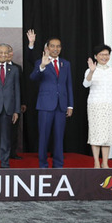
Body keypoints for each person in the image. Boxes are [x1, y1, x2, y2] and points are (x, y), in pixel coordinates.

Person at [30, 37, 74, 168]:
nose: (55, 49)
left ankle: (58, 165)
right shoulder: (41, 62)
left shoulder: (66, 64)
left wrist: (70, 105)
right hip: (45, 105)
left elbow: (69, 85)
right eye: (53, 46)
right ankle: (43, 164)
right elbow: (33, 77)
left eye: (58, 46)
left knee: (59, 136)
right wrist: (42, 66)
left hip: (61, 105)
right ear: (47, 48)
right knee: (43, 136)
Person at [83, 44, 112, 168]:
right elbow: (85, 84)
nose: (104, 57)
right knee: (95, 134)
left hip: (110, 106)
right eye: (101, 55)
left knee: (107, 135)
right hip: (95, 105)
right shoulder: (90, 70)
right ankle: (96, 162)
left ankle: (105, 162)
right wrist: (92, 71)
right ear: (96, 56)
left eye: (106, 54)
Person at [6, 45, 26, 160]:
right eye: (5, 52)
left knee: (14, 130)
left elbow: (21, 86)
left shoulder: (17, 68)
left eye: (10, 51)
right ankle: (0, 153)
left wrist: (22, 102)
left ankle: (12, 153)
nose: (7, 54)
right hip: (1, 105)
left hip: (14, 104)